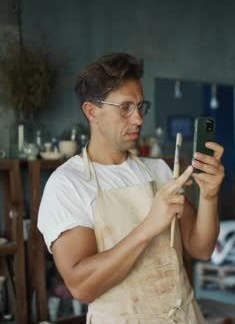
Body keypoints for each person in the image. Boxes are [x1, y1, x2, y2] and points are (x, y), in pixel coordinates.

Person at [38, 53, 224, 323]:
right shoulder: (67, 184)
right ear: (92, 112)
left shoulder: (159, 171)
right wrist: (149, 226)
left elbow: (201, 248)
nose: (138, 119)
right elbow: (82, 286)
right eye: (125, 108)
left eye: (140, 107)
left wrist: (210, 195)